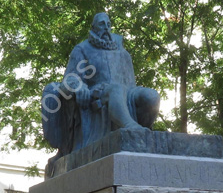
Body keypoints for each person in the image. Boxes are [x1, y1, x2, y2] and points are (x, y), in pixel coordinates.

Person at [43, 12, 160, 158]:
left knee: (151, 96)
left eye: (108, 24)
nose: (106, 27)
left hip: (128, 94)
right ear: (93, 27)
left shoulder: (123, 53)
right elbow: (69, 80)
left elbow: (131, 82)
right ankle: (131, 128)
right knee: (115, 89)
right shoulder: (82, 49)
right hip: (96, 94)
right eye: (101, 24)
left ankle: (143, 134)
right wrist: (79, 87)